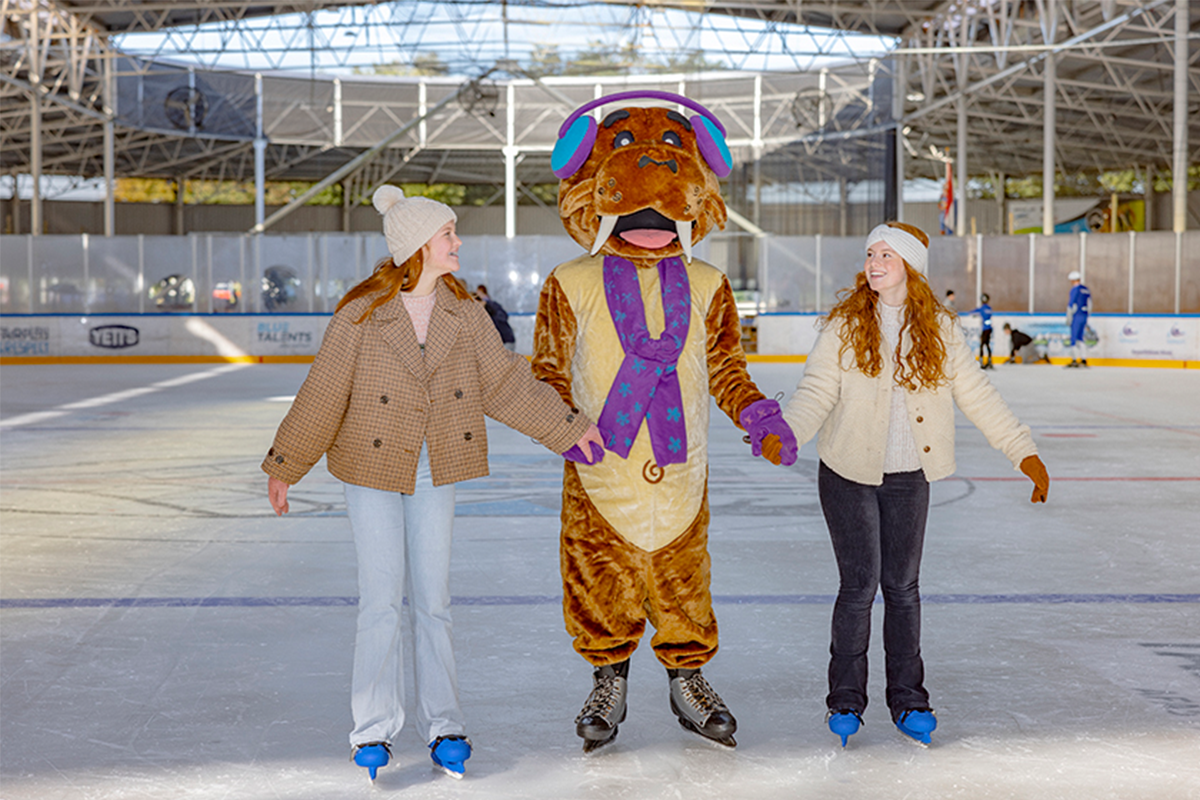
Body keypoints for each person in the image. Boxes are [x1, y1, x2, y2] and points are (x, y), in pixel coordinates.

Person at [262, 185, 603, 782]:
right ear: (419, 244)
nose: (458, 242)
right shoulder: (361, 312)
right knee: (380, 601)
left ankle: (445, 725)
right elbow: (325, 390)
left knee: (433, 602)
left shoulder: (464, 313)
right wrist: (286, 463)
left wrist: (568, 429)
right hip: (371, 467)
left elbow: (505, 384)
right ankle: (372, 730)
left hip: (434, 464)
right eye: (448, 233)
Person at [780, 221, 1050, 748]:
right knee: (859, 587)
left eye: (886, 254)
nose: (874, 263)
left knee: (903, 589)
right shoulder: (844, 324)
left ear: (910, 266)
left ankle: (909, 699)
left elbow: (977, 393)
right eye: (870, 253)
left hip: (910, 476)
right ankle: (845, 700)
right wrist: (786, 434)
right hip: (847, 472)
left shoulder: (941, 330)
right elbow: (816, 390)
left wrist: (1022, 450)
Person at [475, 284, 517, 351]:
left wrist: (487, 302)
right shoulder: (483, 314)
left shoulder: (492, 307)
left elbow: (503, 317)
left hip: (505, 341)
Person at [1065, 270, 1092, 368]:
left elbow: (1071, 305)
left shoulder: (1075, 290)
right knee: (1081, 338)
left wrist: (1069, 318)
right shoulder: (1086, 289)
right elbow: (1090, 304)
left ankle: (1074, 359)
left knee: (1074, 338)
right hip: (1084, 315)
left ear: (1072, 280)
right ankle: (1084, 359)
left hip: (1077, 315)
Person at [968, 292, 994, 368]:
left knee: (982, 345)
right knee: (987, 344)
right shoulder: (989, 308)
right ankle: (989, 359)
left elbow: (973, 312)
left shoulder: (982, 308)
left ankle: (981, 360)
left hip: (985, 329)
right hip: (989, 329)